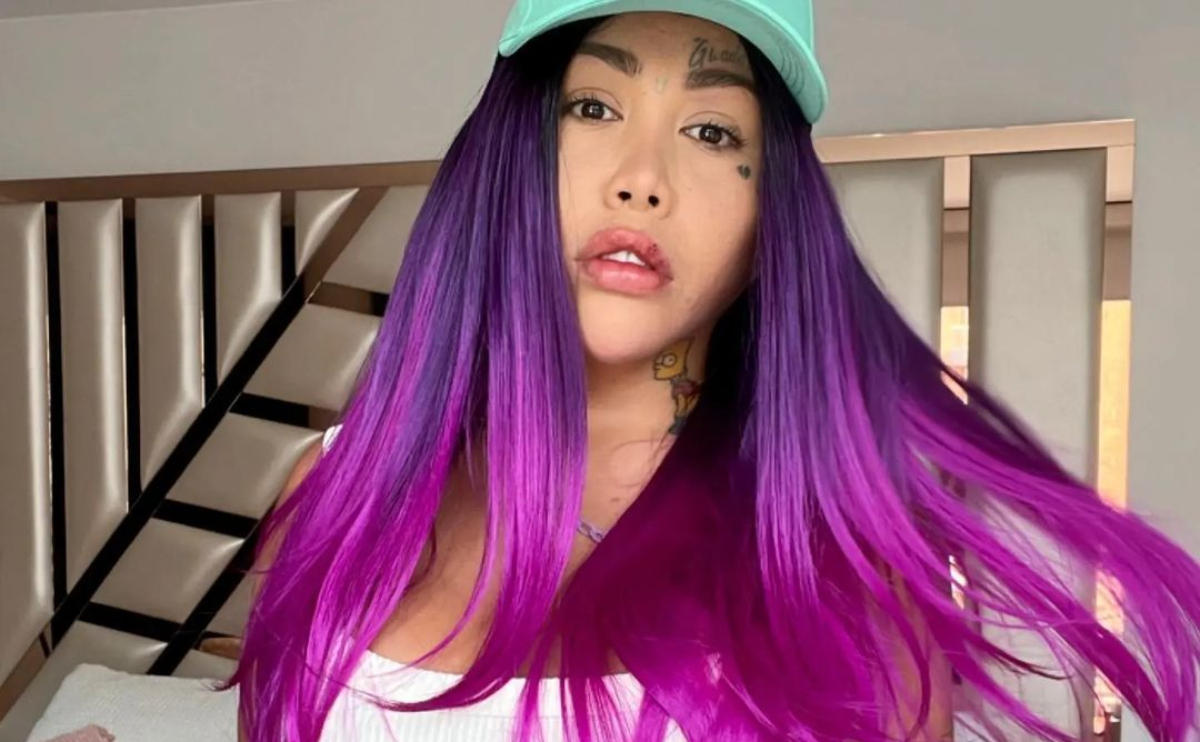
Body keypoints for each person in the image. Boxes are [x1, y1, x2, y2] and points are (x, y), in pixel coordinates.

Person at [227, 1, 1200, 740]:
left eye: (712, 132)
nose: (641, 178)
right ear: (508, 159)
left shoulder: (840, 565)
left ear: (772, 215)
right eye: (593, 106)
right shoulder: (334, 493)